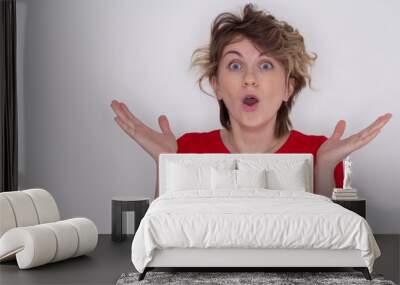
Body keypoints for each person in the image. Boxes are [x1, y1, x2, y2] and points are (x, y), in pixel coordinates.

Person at [110, 4, 392, 199]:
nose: (249, 78)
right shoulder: (186, 152)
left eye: (266, 65)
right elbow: (164, 243)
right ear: (217, 85)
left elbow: (331, 247)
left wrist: (325, 168)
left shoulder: (320, 154)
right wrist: (166, 165)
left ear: (288, 88)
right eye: (235, 65)